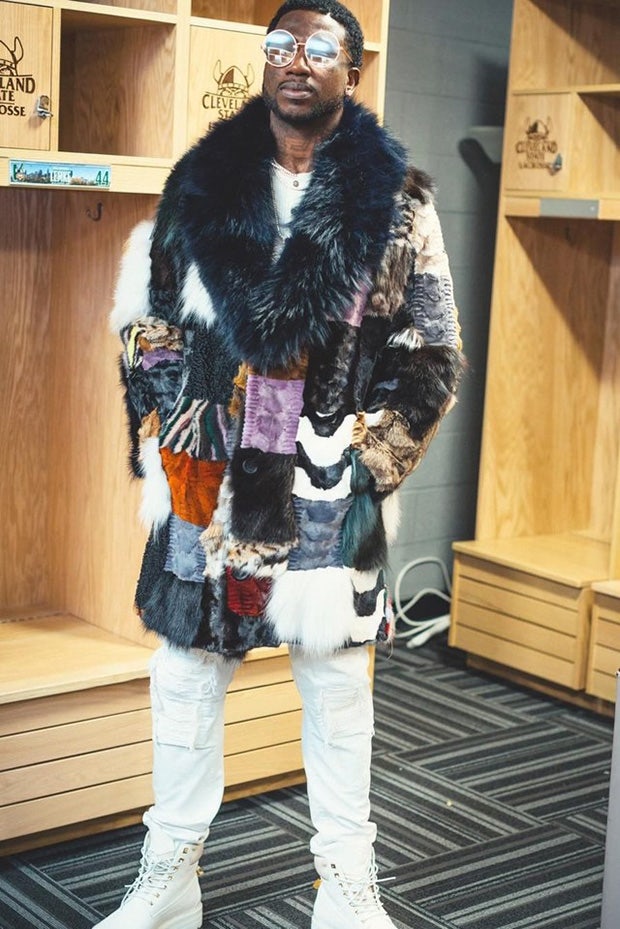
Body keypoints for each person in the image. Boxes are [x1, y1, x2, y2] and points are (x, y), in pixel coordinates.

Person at [99, 1, 463, 926]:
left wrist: (365, 464)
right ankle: (168, 879)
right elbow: (148, 322)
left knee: (337, 687)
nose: (297, 61)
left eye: (321, 48)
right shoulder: (201, 182)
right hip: (208, 477)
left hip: (327, 482)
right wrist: (174, 431)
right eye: (280, 45)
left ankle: (346, 887)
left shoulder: (398, 203)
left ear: (354, 70)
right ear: (264, 63)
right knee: (185, 677)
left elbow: (433, 352)